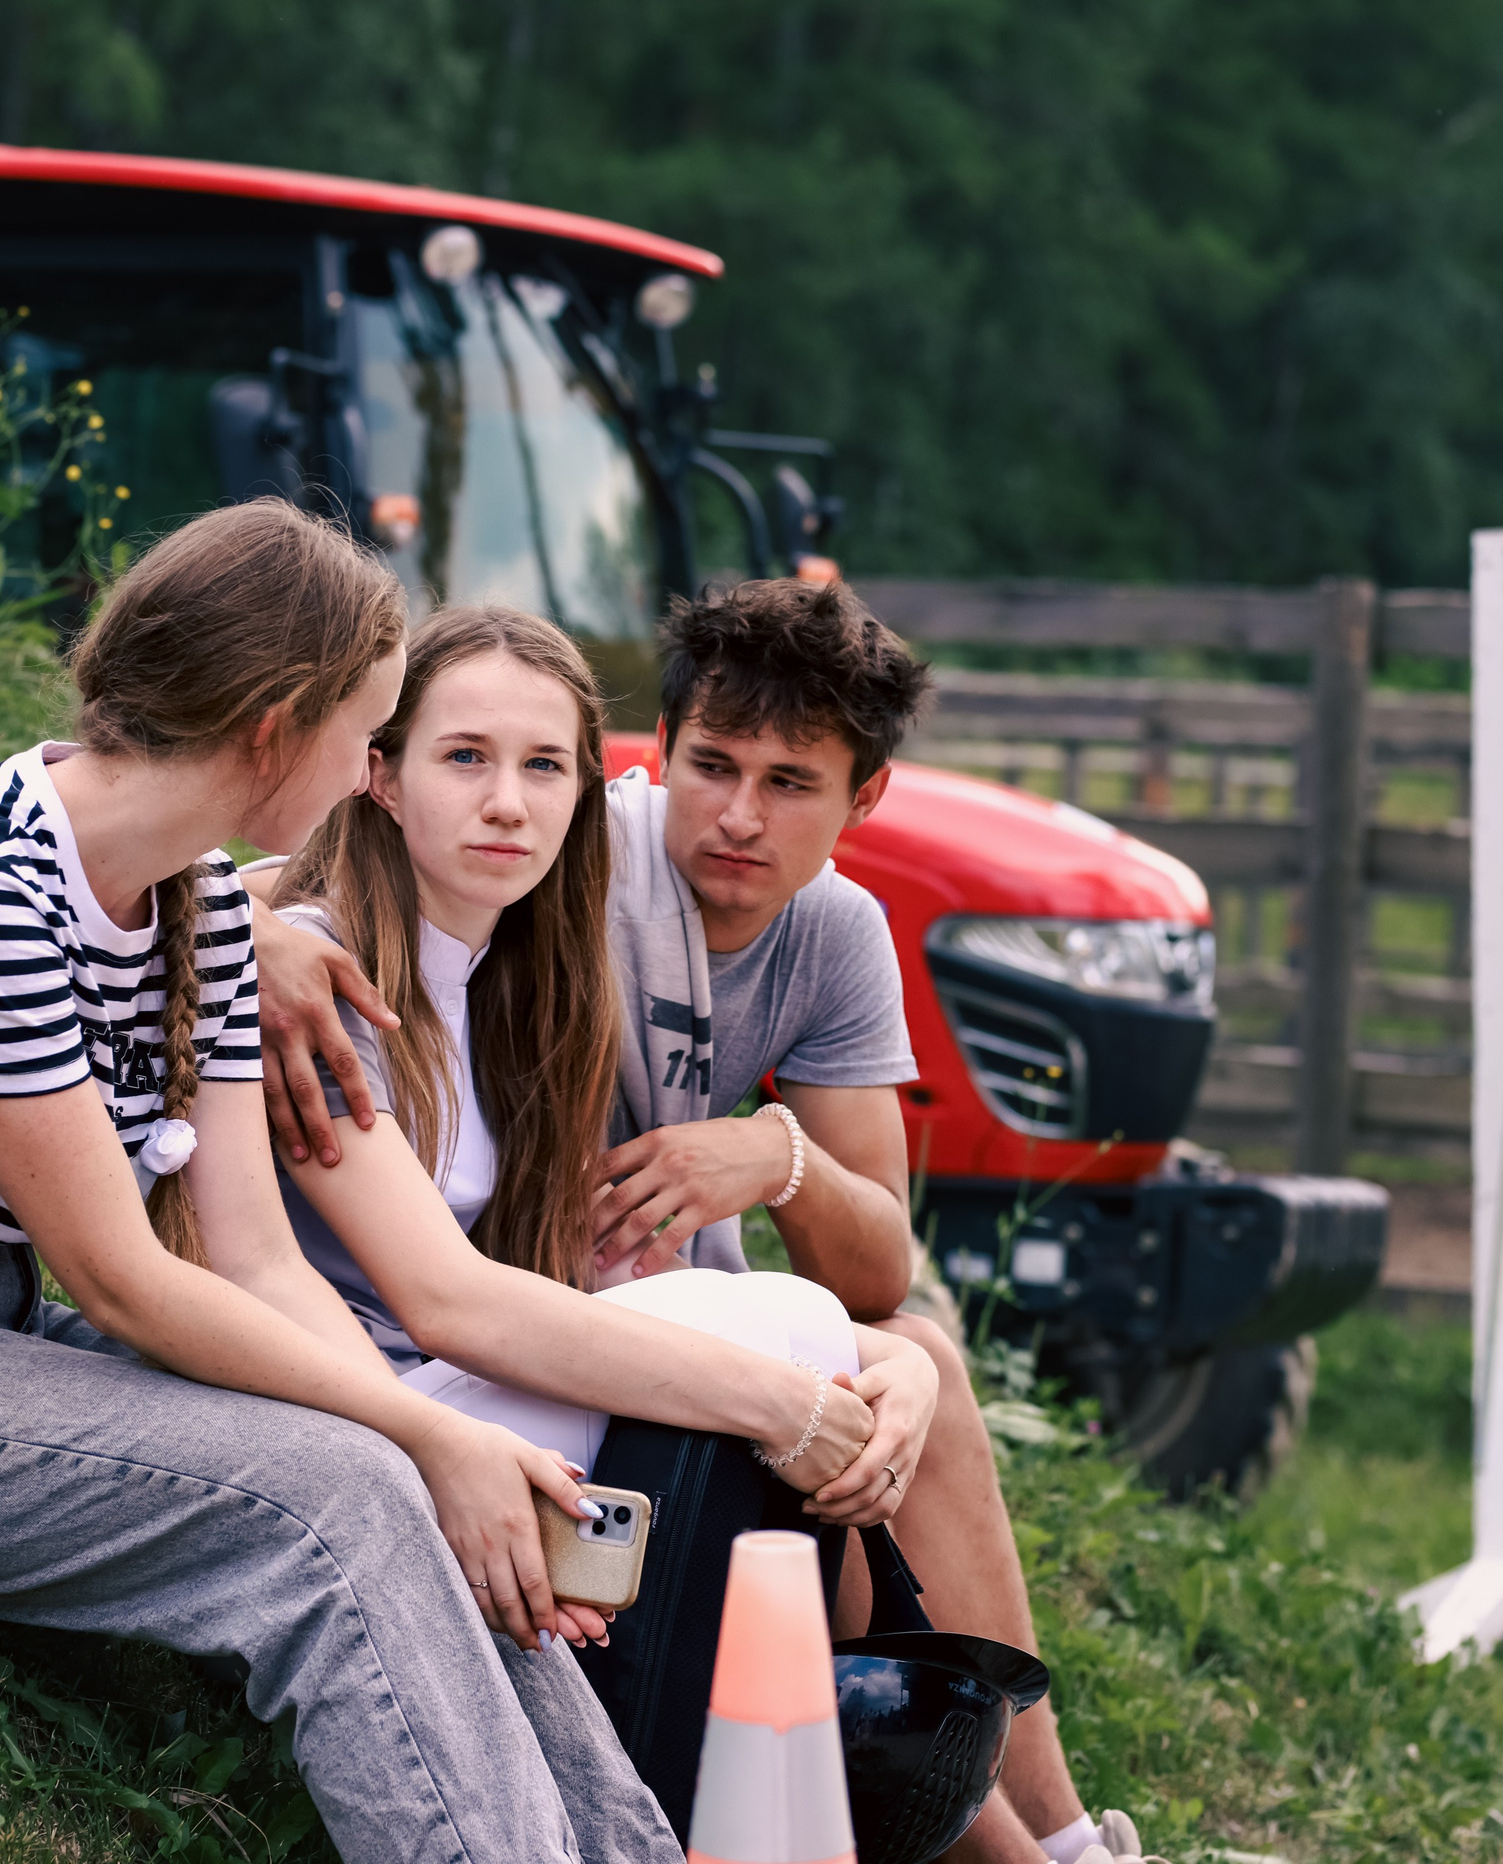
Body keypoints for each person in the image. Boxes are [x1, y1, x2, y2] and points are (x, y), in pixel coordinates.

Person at [0, 500, 683, 1864]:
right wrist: (424, 1438)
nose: (366, 772)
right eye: (364, 735)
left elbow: (254, 1258)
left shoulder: (199, 901)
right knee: (341, 1499)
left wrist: (436, 1445)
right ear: (275, 730)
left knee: (391, 1465)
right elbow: (123, 1280)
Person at [257, 576, 1142, 1864]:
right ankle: (1018, 1854)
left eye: (790, 783)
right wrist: (244, 927)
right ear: (654, 757)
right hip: (448, 1356)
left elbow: (880, 1261)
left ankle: (1054, 1845)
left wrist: (777, 1156)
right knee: (818, 1358)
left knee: (891, 1366)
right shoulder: (551, 862)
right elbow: (279, 854)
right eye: (712, 766)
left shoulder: (703, 931)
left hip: (559, 1322)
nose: (736, 815)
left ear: (864, 798)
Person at [234, 604, 936, 1634]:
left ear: (585, 797)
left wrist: (900, 1359)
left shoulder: (519, 988)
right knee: (779, 1329)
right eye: (465, 757)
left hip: (447, 1391)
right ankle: (799, 1701)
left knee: (816, 1341)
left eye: (544, 768)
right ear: (380, 774)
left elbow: (565, 1275)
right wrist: (787, 1398)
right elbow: (449, 1303)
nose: (506, 804)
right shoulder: (327, 979)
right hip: (355, 1416)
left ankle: (860, 1712)